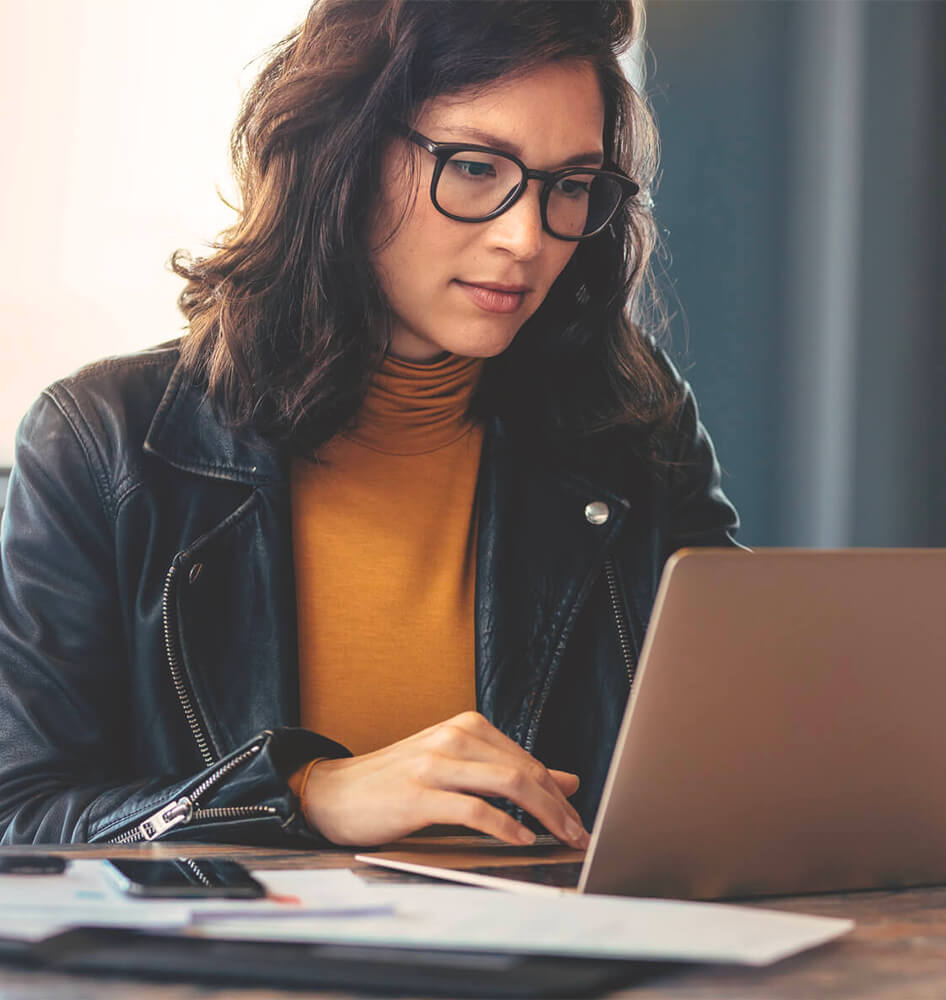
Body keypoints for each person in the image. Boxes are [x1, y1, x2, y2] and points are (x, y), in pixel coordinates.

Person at [0, 0, 738, 849]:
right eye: (473, 168)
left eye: (570, 187)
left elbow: (740, 753)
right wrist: (306, 795)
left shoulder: (633, 425)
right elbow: (21, 821)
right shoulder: (100, 443)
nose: (526, 236)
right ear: (341, 156)